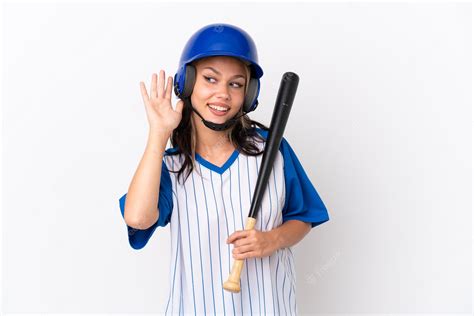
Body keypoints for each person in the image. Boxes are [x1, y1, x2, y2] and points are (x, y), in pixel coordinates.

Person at [118, 23, 329, 315]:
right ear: (188, 83)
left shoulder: (273, 150)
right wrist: (158, 134)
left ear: (249, 92)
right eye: (210, 79)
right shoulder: (169, 165)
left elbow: (304, 217)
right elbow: (138, 218)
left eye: (235, 84)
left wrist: (271, 239)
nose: (223, 94)